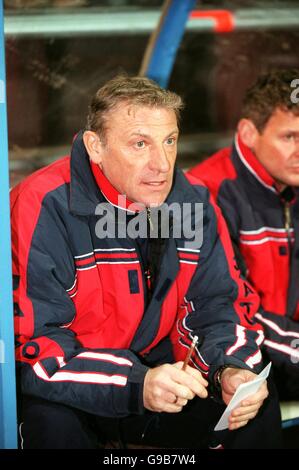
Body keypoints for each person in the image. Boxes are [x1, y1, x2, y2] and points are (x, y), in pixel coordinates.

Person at [11, 75, 281, 449]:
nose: (161, 164)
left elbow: (218, 307)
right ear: (96, 147)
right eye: (140, 144)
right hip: (70, 390)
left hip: (152, 382)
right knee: (53, 427)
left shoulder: (194, 205)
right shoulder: (42, 203)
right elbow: (33, 347)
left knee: (253, 410)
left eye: (169, 141)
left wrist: (230, 369)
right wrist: (136, 384)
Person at [189, 69, 299, 401]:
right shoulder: (207, 193)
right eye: (289, 137)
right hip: (237, 356)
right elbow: (231, 309)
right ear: (249, 133)